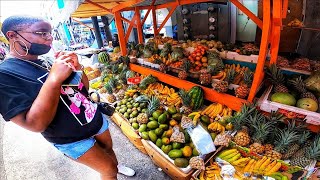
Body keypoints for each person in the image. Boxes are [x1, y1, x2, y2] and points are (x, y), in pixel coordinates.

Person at [0, 15, 135, 180]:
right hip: (70, 137)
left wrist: (78, 68)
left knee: (108, 149)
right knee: (108, 170)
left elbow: (83, 88)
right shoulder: (5, 75)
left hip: (93, 118)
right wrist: (54, 79)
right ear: (12, 35)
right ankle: (113, 169)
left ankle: (116, 166)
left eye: (49, 33)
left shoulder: (47, 60)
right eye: (41, 33)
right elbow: (34, 124)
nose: (49, 37)